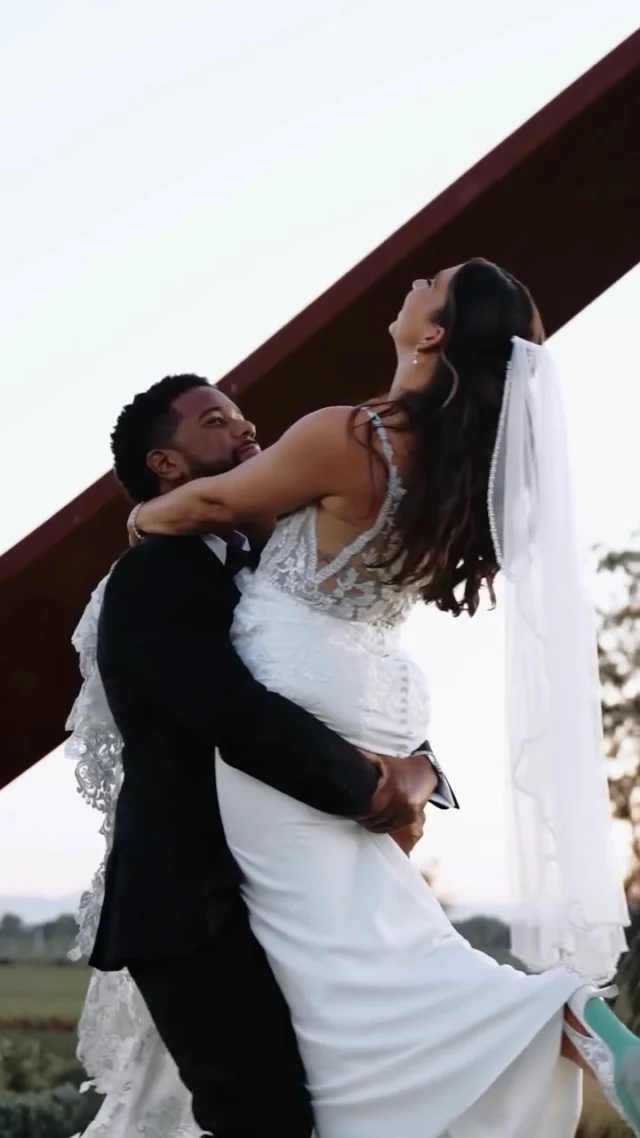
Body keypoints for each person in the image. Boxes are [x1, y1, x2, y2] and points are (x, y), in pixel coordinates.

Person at [129, 258, 639, 1138]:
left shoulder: (346, 434)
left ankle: (538, 1020)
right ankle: (555, 1025)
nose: (412, 285)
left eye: (429, 284)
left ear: (433, 334)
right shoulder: (464, 470)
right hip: (385, 695)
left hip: (298, 683)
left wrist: (141, 517)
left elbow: (201, 504)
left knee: (331, 950)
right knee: (388, 930)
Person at [66, 374, 457, 1138]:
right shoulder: (150, 579)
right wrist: (375, 790)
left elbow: (347, 680)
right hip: (195, 904)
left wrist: (426, 770)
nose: (248, 432)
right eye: (217, 422)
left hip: (301, 894)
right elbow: (230, 714)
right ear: (166, 467)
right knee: (262, 1120)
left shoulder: (284, 576)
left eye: (246, 418)